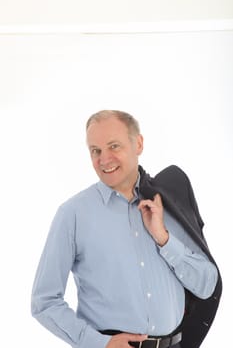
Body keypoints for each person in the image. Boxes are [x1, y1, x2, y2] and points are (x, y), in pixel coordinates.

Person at [31, 110, 222, 348]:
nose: (104, 159)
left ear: (138, 144)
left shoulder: (168, 204)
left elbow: (206, 286)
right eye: (95, 150)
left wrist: (163, 239)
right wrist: (99, 343)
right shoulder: (73, 214)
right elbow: (44, 301)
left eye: (114, 146)